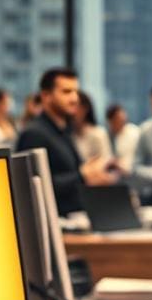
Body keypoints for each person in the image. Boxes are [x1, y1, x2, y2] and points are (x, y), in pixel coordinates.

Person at [16, 68, 115, 216]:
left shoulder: (63, 130)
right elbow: (32, 187)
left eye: (76, 92)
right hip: (55, 221)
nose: (75, 98)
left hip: (77, 216)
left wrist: (93, 174)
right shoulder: (34, 133)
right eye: (66, 92)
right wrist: (83, 175)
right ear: (46, 96)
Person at [73, 91, 111, 162]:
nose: (72, 111)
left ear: (85, 108)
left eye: (75, 105)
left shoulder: (98, 134)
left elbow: (105, 162)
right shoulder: (68, 134)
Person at [106, 104, 140, 175]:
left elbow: (132, 163)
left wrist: (118, 164)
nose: (123, 119)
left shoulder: (133, 132)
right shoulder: (114, 136)